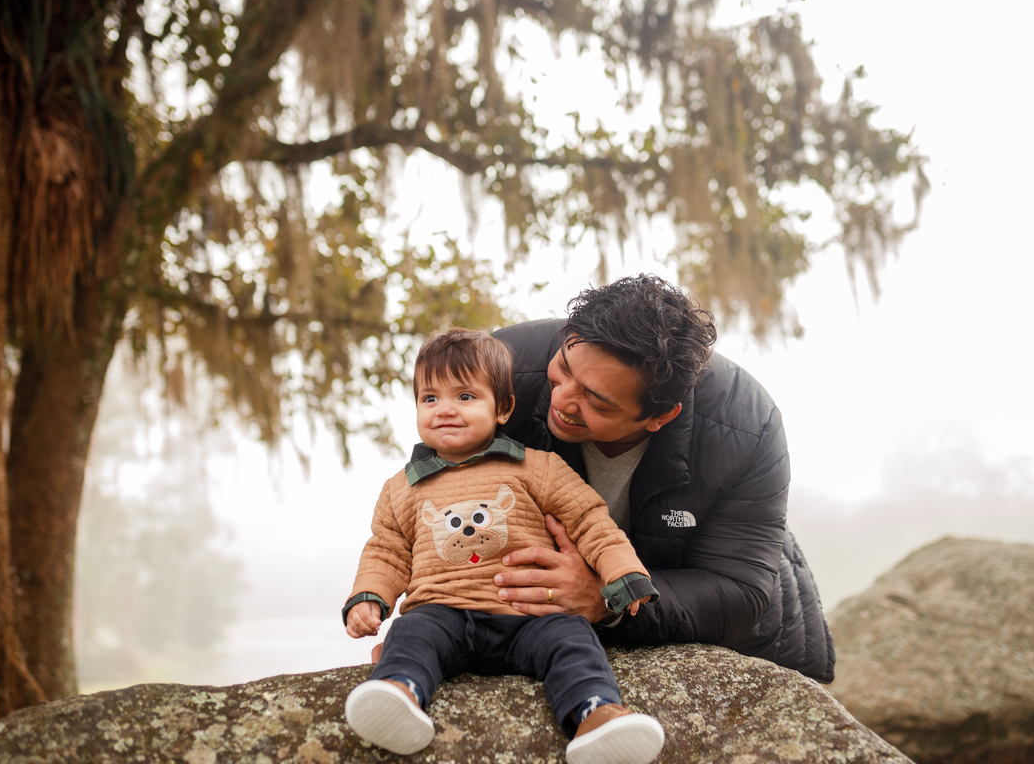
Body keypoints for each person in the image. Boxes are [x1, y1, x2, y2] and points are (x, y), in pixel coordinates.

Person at [342, 328, 665, 763]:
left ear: (503, 408)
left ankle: (595, 716)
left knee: (571, 637)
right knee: (411, 633)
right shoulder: (402, 488)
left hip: (529, 618)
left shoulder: (537, 468)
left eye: (465, 397)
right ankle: (399, 693)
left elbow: (591, 521)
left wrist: (622, 572)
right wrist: (370, 598)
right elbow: (386, 550)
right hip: (444, 614)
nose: (446, 411)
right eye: (430, 398)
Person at [492, 274, 835, 683]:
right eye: (563, 367)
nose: (562, 399)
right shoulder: (500, 369)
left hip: (739, 644)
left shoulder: (747, 426)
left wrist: (606, 599)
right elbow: (429, 492)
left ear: (661, 416)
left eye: (596, 400)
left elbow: (736, 590)